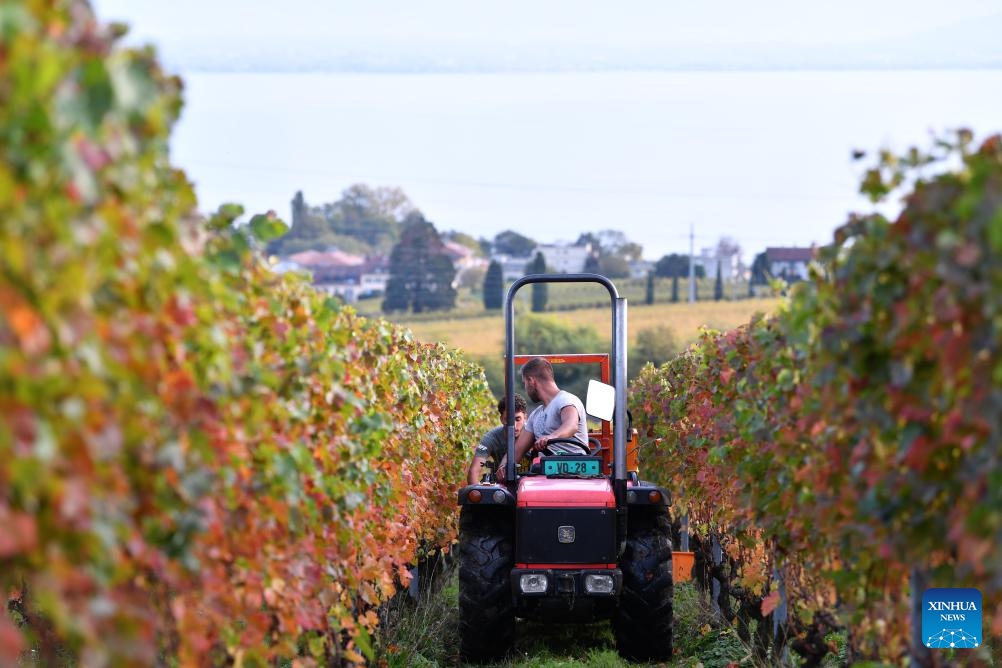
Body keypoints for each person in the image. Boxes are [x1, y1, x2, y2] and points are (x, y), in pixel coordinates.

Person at [497, 357, 588, 481]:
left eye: (525, 383)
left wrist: (551, 437)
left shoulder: (566, 400)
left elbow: (571, 425)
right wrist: (503, 467)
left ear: (531, 381)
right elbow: (517, 450)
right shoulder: (536, 415)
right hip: (545, 476)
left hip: (575, 473)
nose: (526, 388)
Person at [466, 393, 528, 485]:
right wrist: (477, 495)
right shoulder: (491, 438)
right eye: (509, 420)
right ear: (501, 419)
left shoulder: (534, 433)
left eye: (518, 419)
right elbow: (473, 472)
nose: (514, 426)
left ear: (525, 418)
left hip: (530, 486)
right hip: (502, 488)